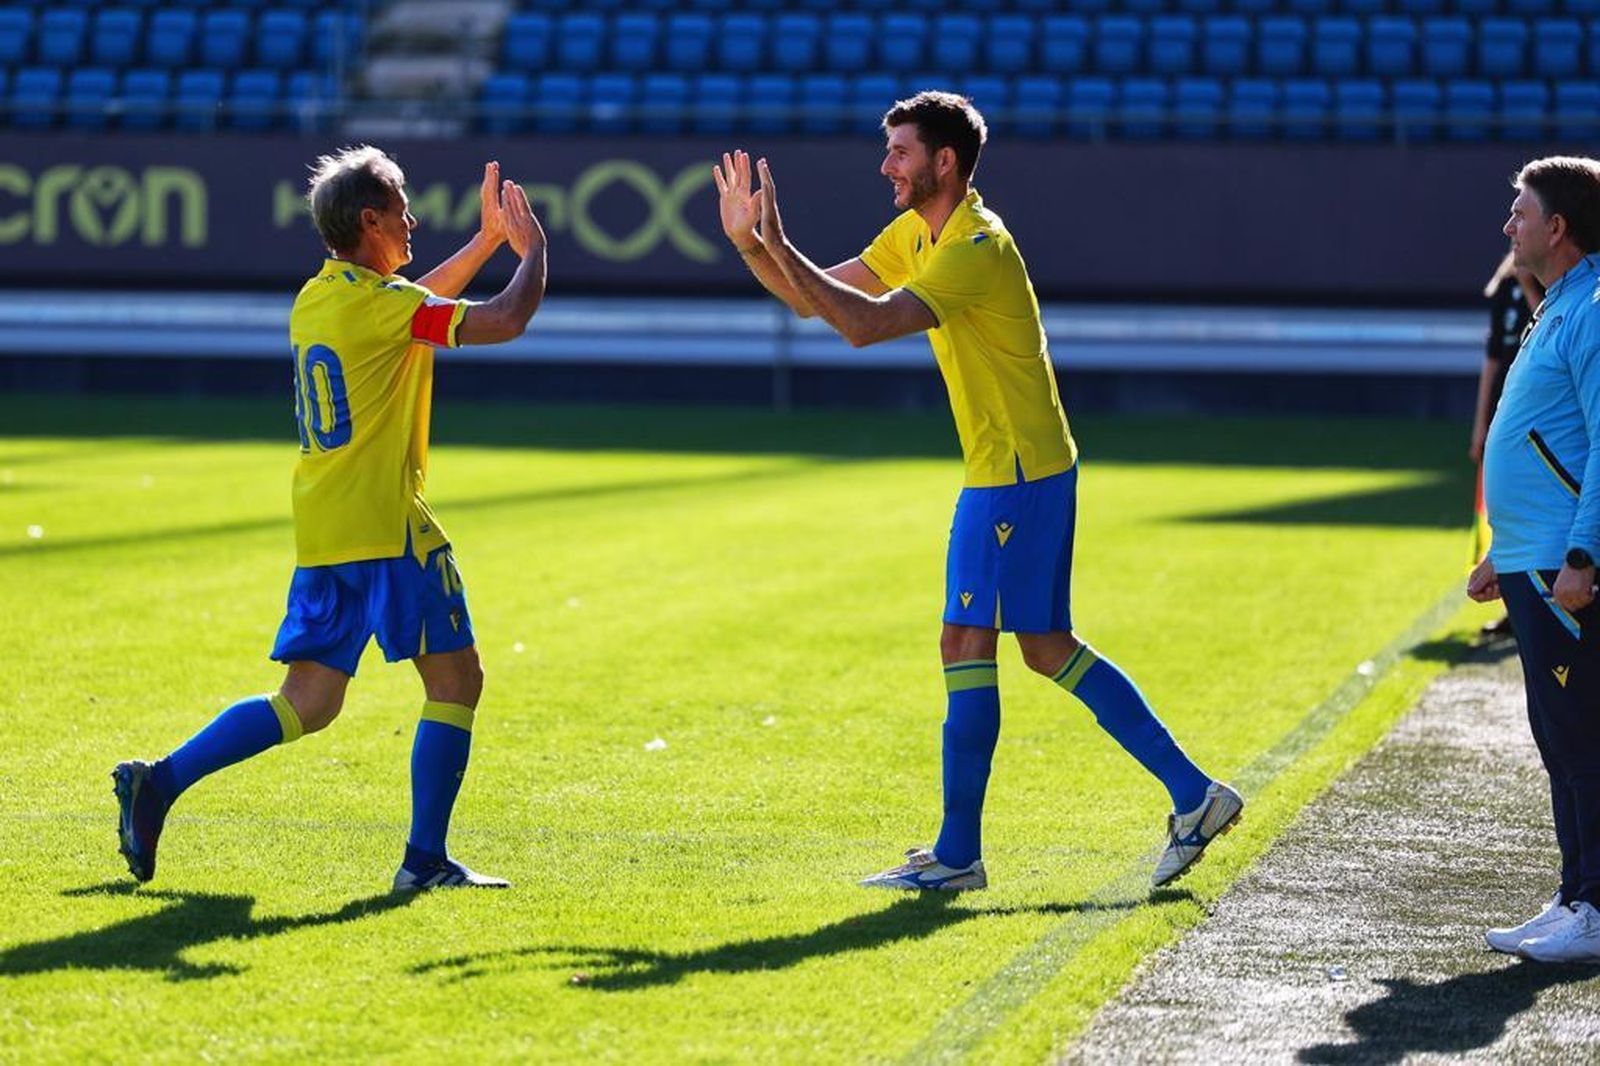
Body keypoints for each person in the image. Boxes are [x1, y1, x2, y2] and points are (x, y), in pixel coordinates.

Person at [713, 92, 1241, 891]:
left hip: (1019, 476)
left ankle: (964, 855)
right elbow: (817, 296)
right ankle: (1191, 795)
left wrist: (777, 240)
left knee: (977, 643)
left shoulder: (975, 247)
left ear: (944, 162)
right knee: (1039, 647)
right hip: (1012, 470)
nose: (886, 165)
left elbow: (860, 325)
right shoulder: (919, 233)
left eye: (899, 151)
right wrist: (755, 248)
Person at [112, 147, 548, 892]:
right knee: (456, 683)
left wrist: (480, 246)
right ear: (371, 220)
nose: (413, 220)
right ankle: (423, 863)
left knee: (306, 703)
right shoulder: (383, 309)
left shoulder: (322, 298)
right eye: (402, 207)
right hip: (387, 528)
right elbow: (506, 319)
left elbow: (411, 307)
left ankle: (160, 783)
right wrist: (531, 249)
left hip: (325, 532)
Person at [1470, 155, 1600, 962]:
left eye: (1519, 212)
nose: (1508, 226)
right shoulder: (1558, 306)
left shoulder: (1591, 310)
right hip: (1531, 558)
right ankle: (1575, 892)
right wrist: (1502, 552)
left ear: (1557, 227)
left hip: (1565, 565)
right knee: (1558, 732)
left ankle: (1595, 907)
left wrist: (1583, 554)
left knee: (1582, 732)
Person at [1470, 250, 1545, 637]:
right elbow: (1493, 356)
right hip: (1505, 411)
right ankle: (1510, 603)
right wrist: (1480, 424)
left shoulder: (1555, 286)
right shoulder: (1503, 286)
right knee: (1496, 508)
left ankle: (1533, 599)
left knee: (1530, 506)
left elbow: (1544, 329)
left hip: (1537, 417)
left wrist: (1531, 284)